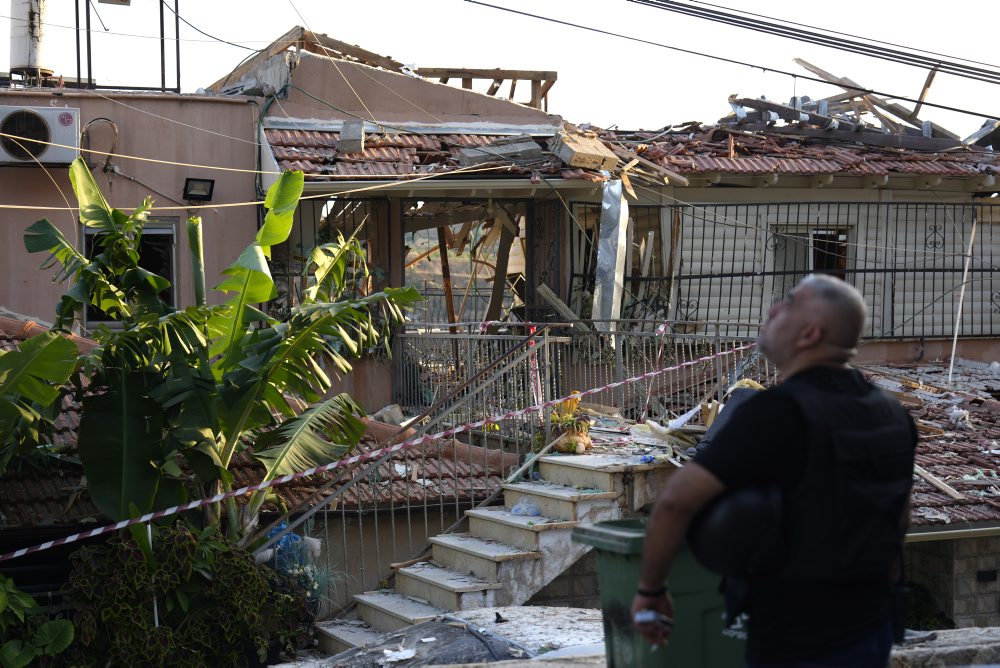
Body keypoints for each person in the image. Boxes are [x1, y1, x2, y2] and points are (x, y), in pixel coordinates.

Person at [630, 274, 917, 667]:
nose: (772, 309)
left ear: (810, 333)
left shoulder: (778, 413)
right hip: (872, 628)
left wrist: (650, 592)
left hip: (795, 638)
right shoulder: (891, 413)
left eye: (789, 304)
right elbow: (898, 518)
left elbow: (676, 503)